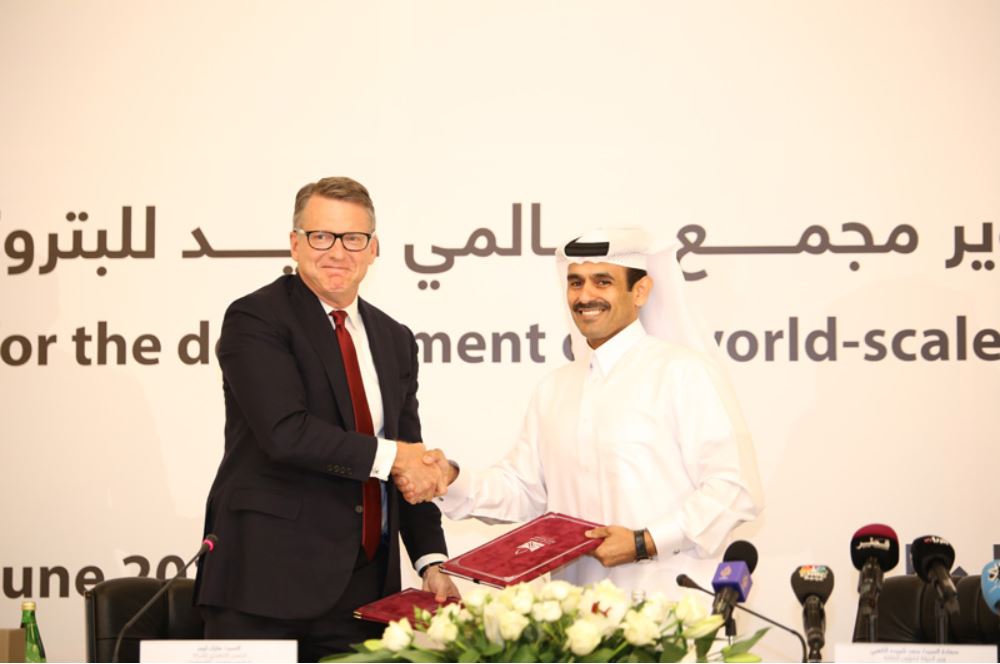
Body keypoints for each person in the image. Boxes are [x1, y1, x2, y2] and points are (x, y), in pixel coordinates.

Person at [411, 227, 763, 592]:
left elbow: (734, 489)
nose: (585, 296)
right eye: (575, 283)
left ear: (640, 291)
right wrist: (451, 478)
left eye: (602, 281)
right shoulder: (554, 388)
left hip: (671, 606)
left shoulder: (684, 373)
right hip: (576, 615)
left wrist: (645, 541)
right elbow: (523, 491)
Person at [195, 177, 458, 662]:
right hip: (264, 586)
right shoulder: (255, 319)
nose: (337, 252)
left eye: (353, 238)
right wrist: (397, 457)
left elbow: (409, 454)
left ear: (373, 249)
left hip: (364, 591)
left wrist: (431, 560)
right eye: (321, 236)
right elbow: (285, 433)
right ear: (295, 243)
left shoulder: (394, 338)